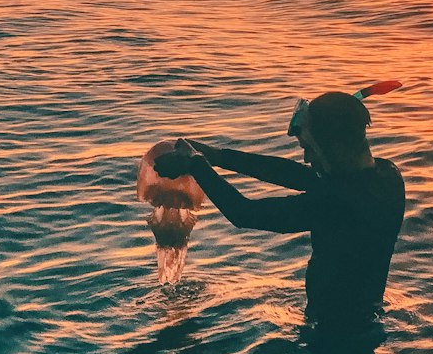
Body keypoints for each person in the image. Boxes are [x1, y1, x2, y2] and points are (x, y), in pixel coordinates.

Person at [153, 91, 405, 322]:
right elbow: (295, 175)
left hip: (336, 335)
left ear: (336, 146)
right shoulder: (386, 176)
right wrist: (218, 157)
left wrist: (197, 165)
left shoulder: (338, 203)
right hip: (364, 317)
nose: (307, 159)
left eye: (309, 148)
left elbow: (244, 213)